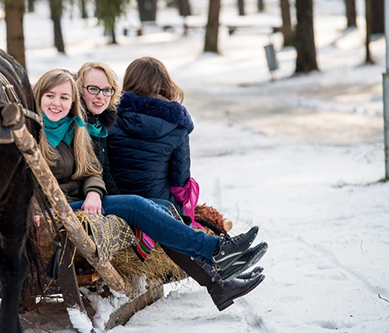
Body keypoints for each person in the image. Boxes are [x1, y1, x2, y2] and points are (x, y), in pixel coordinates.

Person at [34, 68, 265, 311]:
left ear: (73, 103)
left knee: (162, 207)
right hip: (54, 211)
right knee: (135, 205)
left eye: (63, 97)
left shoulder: (75, 129)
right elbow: (19, 181)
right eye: (50, 96)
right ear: (38, 97)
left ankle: (217, 284)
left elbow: (92, 171)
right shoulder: (32, 133)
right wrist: (33, 208)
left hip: (83, 204)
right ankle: (216, 251)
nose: (56, 103)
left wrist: (93, 191)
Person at [107, 56, 268, 279]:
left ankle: (229, 266)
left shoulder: (110, 117)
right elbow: (180, 182)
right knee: (184, 216)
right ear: (165, 83)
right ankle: (225, 259)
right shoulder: (176, 125)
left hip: (117, 199)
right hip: (156, 201)